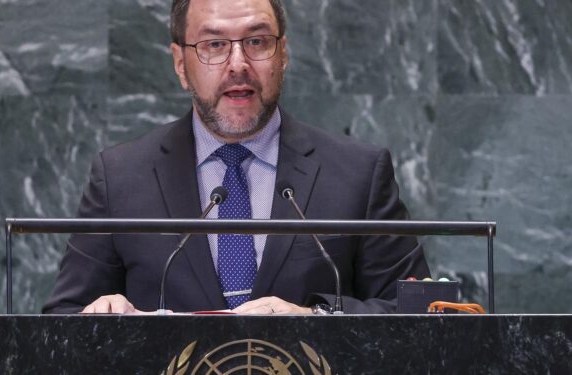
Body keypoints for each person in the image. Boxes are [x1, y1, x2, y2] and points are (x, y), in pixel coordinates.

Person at [42, 0, 430, 315]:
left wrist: (316, 318)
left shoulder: (359, 173)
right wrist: (101, 318)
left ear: (284, 54)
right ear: (181, 64)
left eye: (257, 41)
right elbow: (61, 320)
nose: (238, 64)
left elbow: (418, 313)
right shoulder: (121, 177)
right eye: (214, 45)